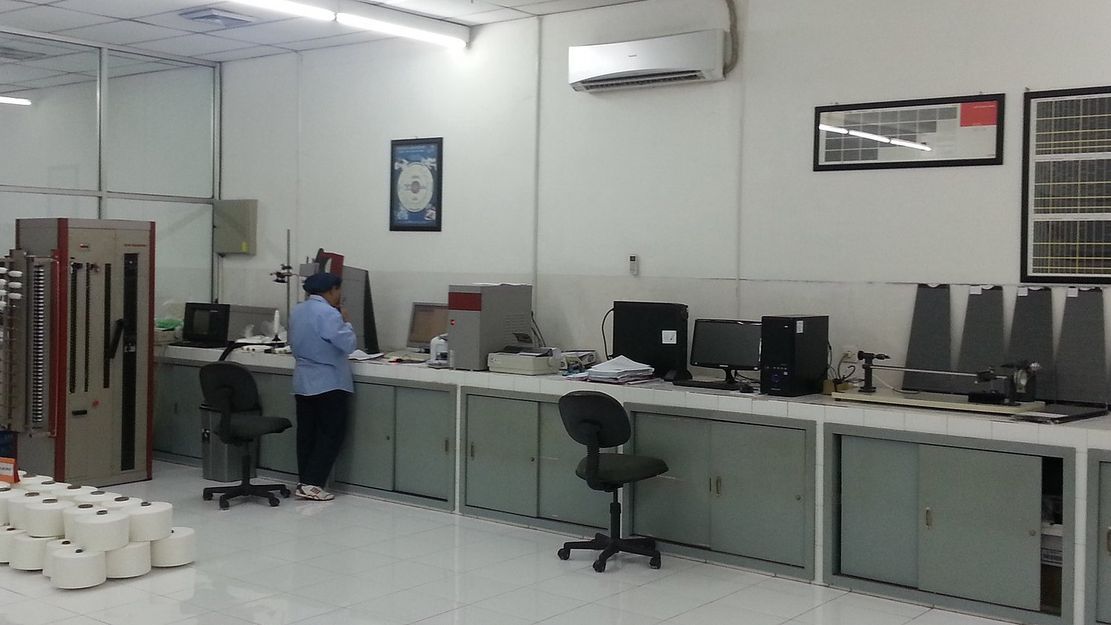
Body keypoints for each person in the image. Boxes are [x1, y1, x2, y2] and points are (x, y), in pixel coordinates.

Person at [288, 272, 356, 501]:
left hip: (303, 381)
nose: (339, 295)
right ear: (331, 290)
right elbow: (348, 344)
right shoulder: (329, 313)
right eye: (338, 290)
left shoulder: (297, 310)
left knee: (307, 434)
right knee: (330, 434)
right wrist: (347, 322)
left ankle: (305, 481)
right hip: (329, 382)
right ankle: (314, 483)